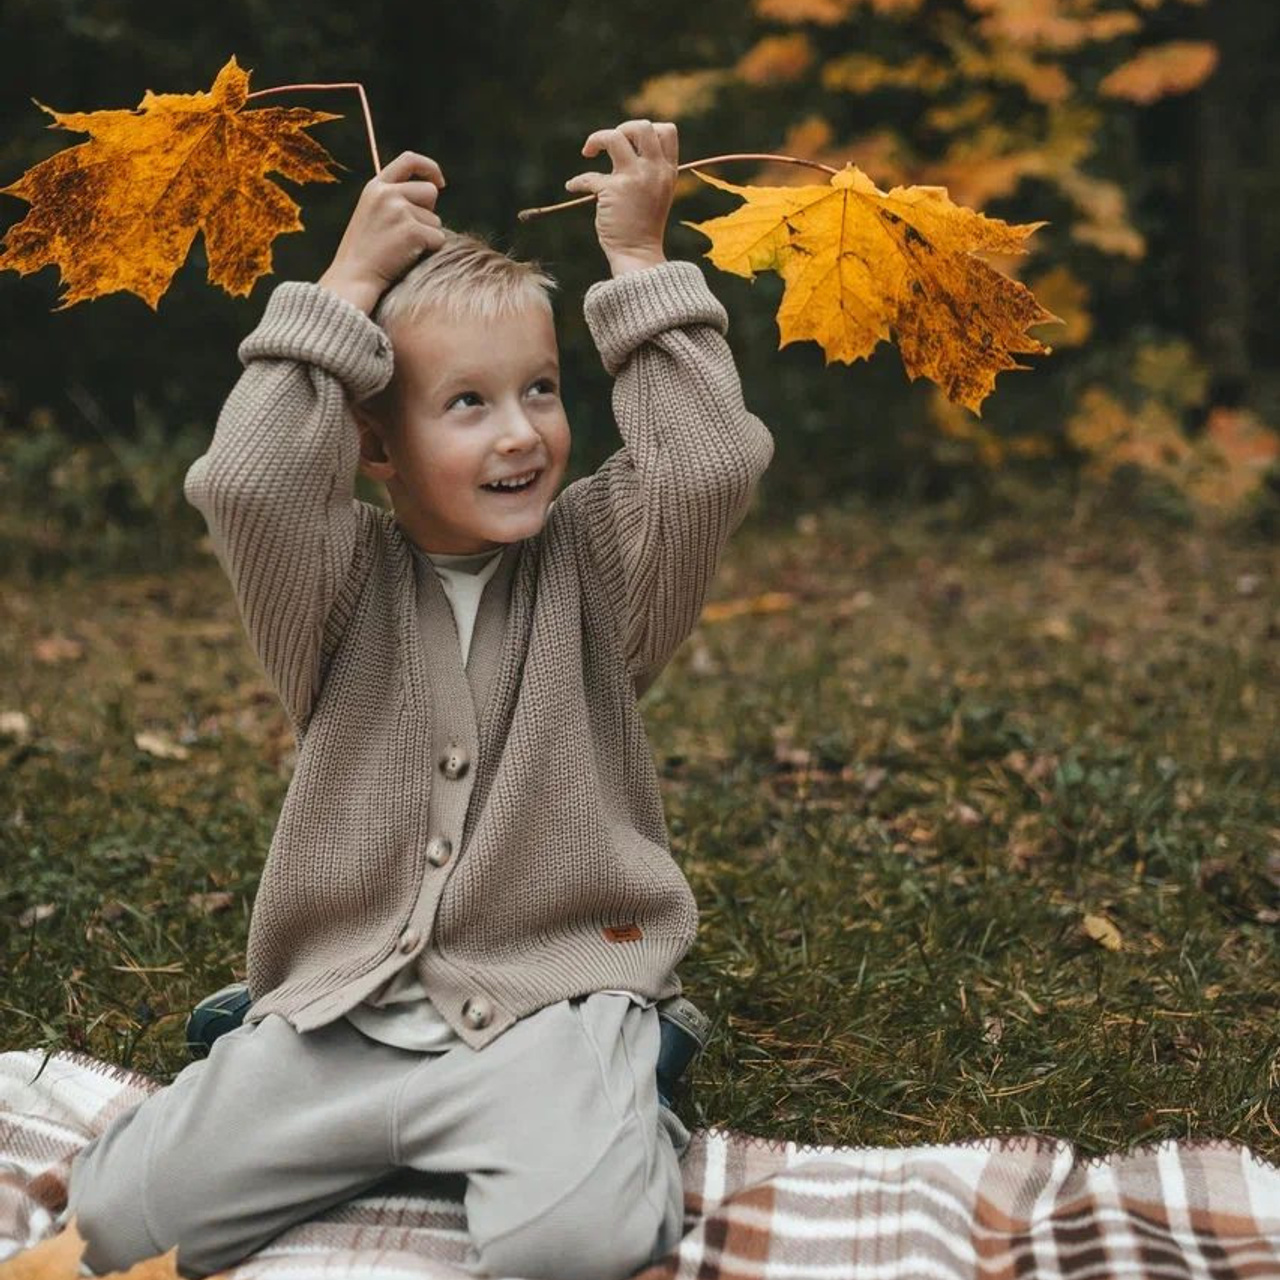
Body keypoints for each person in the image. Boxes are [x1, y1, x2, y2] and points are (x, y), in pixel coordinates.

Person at [60, 118, 774, 1280]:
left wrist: (638, 266)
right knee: (113, 1225)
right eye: (467, 404)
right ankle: (254, 1051)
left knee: (580, 1243)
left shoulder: (603, 563)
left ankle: (634, 1060)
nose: (522, 433)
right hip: (341, 1014)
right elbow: (244, 479)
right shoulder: (332, 582)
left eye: (539, 390)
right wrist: (343, 285)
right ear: (373, 447)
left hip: (546, 1008)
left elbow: (705, 465)